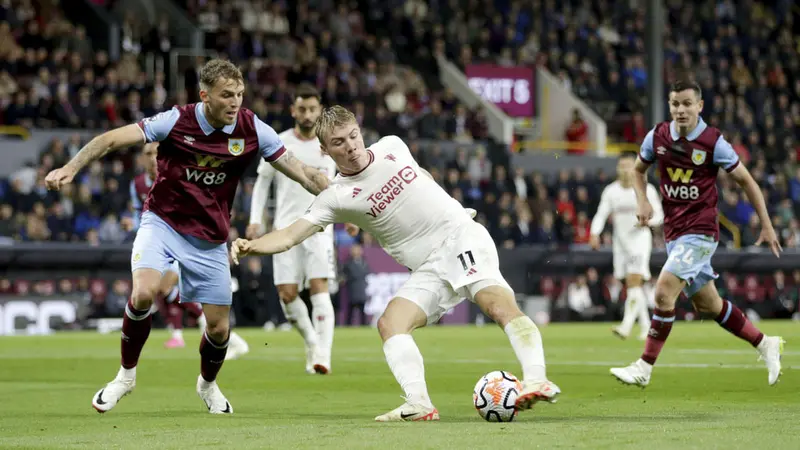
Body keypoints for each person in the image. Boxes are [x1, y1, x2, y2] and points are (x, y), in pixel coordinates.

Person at [230, 105, 560, 421]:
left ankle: (536, 380)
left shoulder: (392, 145)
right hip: (429, 267)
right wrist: (252, 246)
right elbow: (289, 235)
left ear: (360, 132)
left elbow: (423, 175)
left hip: (459, 236)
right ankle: (419, 404)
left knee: (496, 305)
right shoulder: (337, 197)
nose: (351, 147)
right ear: (325, 150)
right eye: (339, 143)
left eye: (353, 136)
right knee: (390, 324)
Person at [45, 59, 331, 414]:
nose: (235, 102)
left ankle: (207, 386)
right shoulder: (175, 120)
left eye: (240, 94)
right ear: (205, 95)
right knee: (144, 292)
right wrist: (71, 167)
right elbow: (112, 139)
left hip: (210, 237)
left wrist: (339, 192)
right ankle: (125, 376)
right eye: (227, 95)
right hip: (163, 222)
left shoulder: (253, 128)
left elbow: (303, 172)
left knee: (219, 329)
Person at [610, 80, 785, 387]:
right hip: (676, 234)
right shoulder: (658, 136)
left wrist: (767, 225)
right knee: (709, 306)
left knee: (663, 292)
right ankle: (764, 343)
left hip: (702, 232)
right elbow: (638, 170)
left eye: (687, 104)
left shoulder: (713, 142)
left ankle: (644, 367)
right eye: (676, 104)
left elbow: (747, 182)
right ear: (670, 106)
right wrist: (643, 200)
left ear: (699, 106)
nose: (681, 110)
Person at [125, 143, 250, 357]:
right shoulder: (136, 185)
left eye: (157, 152)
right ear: (141, 159)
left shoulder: (181, 175)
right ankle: (186, 333)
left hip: (188, 241)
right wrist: (133, 226)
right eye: (148, 154)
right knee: (160, 291)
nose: (154, 158)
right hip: (157, 242)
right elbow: (143, 216)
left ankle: (202, 333)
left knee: (165, 288)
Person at [247, 84, 337, 374]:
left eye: (313, 109)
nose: (308, 114)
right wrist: (255, 219)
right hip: (285, 228)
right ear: (293, 111)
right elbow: (262, 182)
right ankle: (312, 342)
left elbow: (343, 184)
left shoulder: (331, 145)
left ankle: (323, 354)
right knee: (287, 294)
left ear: (320, 110)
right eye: (302, 109)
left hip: (320, 227)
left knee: (319, 287)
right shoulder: (280, 143)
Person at [590, 151, 663, 340]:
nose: (625, 170)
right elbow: (601, 213)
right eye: (622, 166)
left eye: (629, 166)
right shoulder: (611, 191)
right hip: (620, 243)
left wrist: (649, 222)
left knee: (633, 280)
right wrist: (594, 233)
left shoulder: (646, 190)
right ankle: (647, 325)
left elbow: (660, 215)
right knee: (631, 286)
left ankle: (626, 326)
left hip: (640, 240)